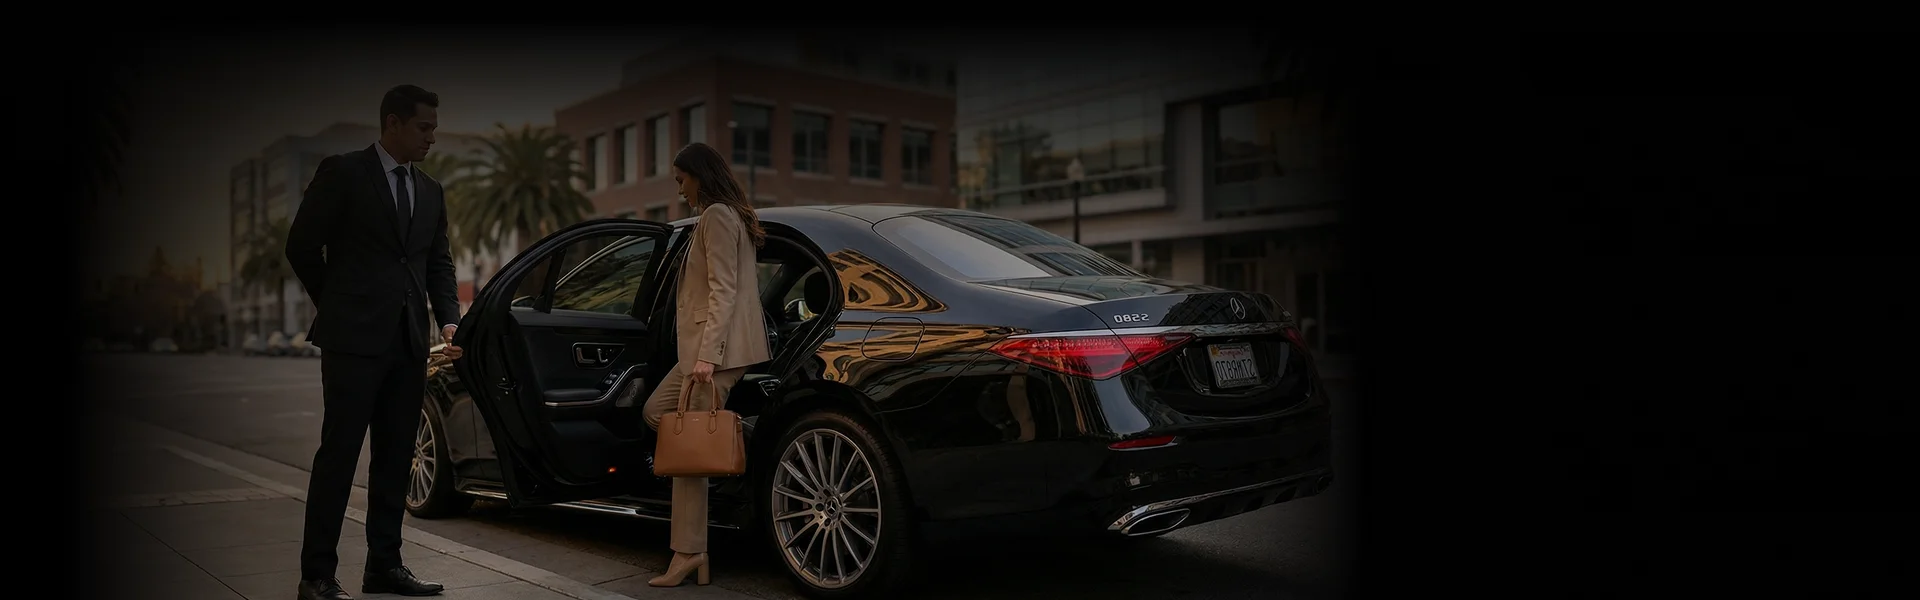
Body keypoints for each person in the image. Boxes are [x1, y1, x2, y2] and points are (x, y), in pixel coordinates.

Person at [284, 84, 463, 600]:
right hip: (353, 343)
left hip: (409, 343)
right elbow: (300, 245)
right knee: (339, 456)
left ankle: (384, 567)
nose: (432, 137)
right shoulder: (344, 172)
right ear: (392, 124)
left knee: (395, 459)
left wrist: (449, 320)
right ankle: (317, 575)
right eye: (423, 127)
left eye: (434, 127)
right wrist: (338, 305)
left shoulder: (431, 190)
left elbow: (438, 264)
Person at [639, 142, 772, 588]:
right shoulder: (728, 215)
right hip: (706, 353)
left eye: (681, 180)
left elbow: (724, 291)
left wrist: (706, 357)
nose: (679, 190)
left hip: (712, 354)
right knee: (661, 416)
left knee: (689, 448)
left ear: (699, 175)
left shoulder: (717, 216)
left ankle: (689, 552)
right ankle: (720, 462)